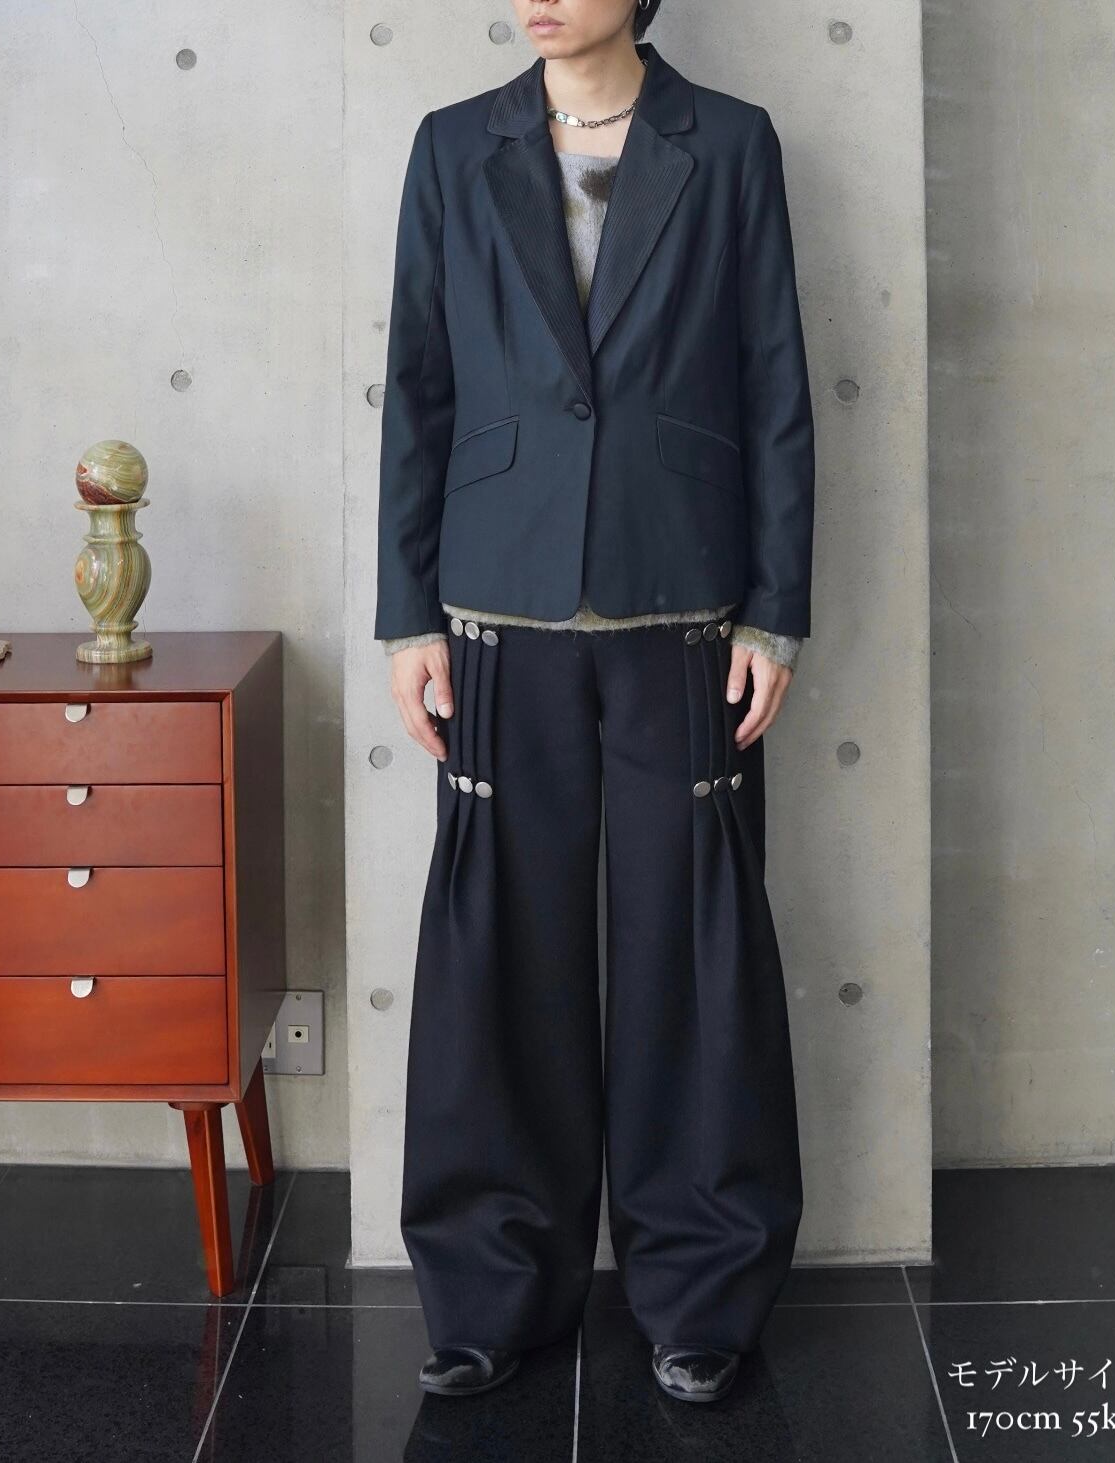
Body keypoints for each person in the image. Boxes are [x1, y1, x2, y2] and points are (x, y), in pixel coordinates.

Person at [375, 0, 814, 1405]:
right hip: (496, 605)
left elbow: (773, 379)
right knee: (501, 955)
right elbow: (419, 385)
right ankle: (490, 1290)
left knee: (692, 953)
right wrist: (406, 614)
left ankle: (702, 1291)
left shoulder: (729, 143)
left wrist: (774, 611)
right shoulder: (453, 146)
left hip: (680, 601)